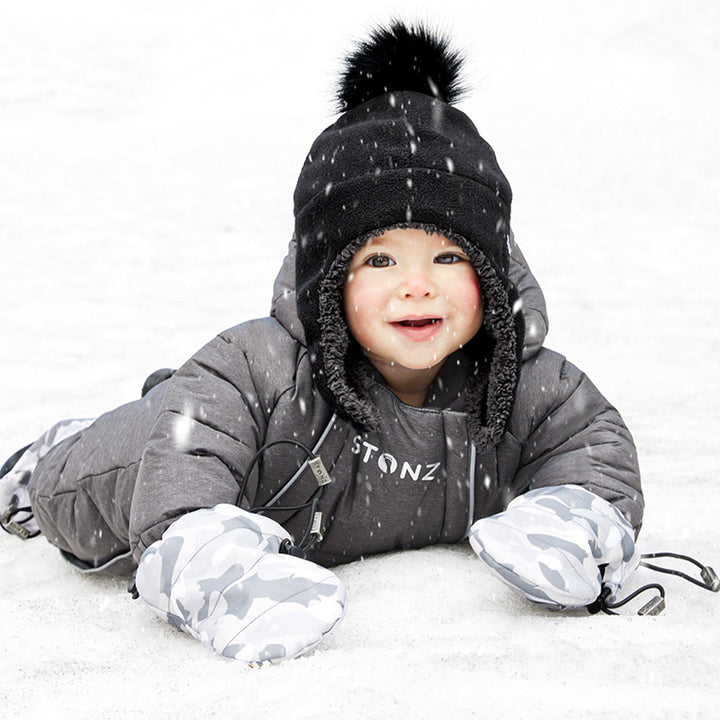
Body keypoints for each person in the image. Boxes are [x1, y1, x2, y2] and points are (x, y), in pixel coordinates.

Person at [1, 22, 642, 664]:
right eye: (381, 261)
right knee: (96, 473)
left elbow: (591, 447)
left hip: (229, 439)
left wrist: (576, 520)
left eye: (449, 257)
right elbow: (184, 459)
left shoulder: (529, 385)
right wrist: (204, 554)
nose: (417, 288)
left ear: (494, 276)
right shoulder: (254, 372)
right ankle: (45, 458)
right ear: (327, 282)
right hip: (136, 466)